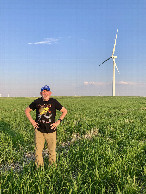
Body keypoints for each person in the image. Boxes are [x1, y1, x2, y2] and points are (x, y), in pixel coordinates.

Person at [25, 85, 67, 168]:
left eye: (47, 91)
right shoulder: (37, 102)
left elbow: (64, 111)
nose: (45, 93)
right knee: (38, 151)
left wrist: (58, 122)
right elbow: (27, 110)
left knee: (52, 151)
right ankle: (39, 169)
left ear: (50, 93)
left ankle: (52, 168)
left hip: (51, 131)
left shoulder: (54, 102)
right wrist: (32, 122)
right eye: (43, 91)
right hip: (39, 131)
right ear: (41, 93)